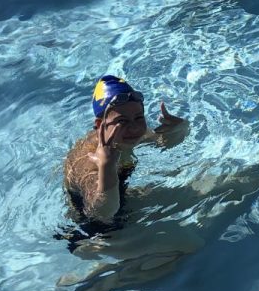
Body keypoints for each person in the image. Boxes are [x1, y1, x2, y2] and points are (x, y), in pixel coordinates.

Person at [62, 75, 188, 227]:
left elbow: (164, 143)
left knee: (218, 185)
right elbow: (99, 213)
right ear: (100, 124)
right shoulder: (89, 161)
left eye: (139, 118)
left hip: (123, 202)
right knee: (188, 242)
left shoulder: (125, 135)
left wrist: (179, 129)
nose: (134, 128)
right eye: (122, 121)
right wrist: (106, 166)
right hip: (95, 233)